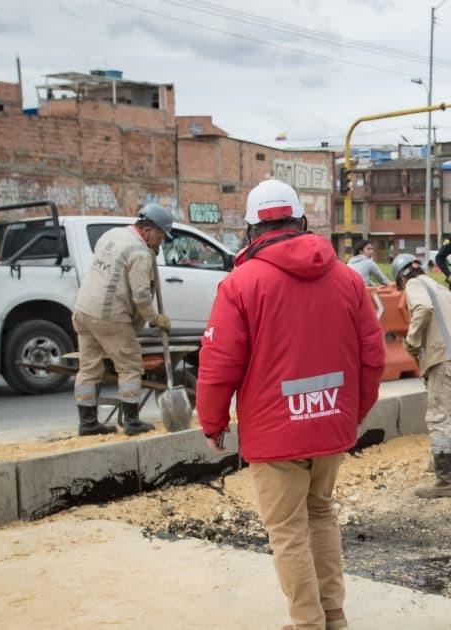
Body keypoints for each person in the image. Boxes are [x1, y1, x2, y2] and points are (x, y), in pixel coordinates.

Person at [196, 179, 386, 630]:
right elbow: (373, 355)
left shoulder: (241, 284)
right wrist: (356, 411)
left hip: (275, 433)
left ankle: (307, 623)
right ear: (300, 221)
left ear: (251, 229)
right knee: (320, 513)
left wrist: (212, 421)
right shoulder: (347, 278)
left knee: (287, 530)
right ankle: (333, 615)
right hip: (331, 421)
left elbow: (218, 364)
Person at [72, 203, 175, 437]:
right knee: (130, 365)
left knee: (88, 367)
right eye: (160, 237)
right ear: (148, 230)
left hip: (83, 310)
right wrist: (154, 318)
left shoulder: (113, 234)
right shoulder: (140, 253)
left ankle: (88, 423)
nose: (160, 243)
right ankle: (132, 421)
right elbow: (141, 295)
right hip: (109, 315)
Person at [394, 252, 451, 498]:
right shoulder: (442, 289)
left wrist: (412, 340)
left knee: (438, 417)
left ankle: (445, 482)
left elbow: (423, 309)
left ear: (402, 278)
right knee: (447, 413)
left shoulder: (415, 284)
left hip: (444, 358)